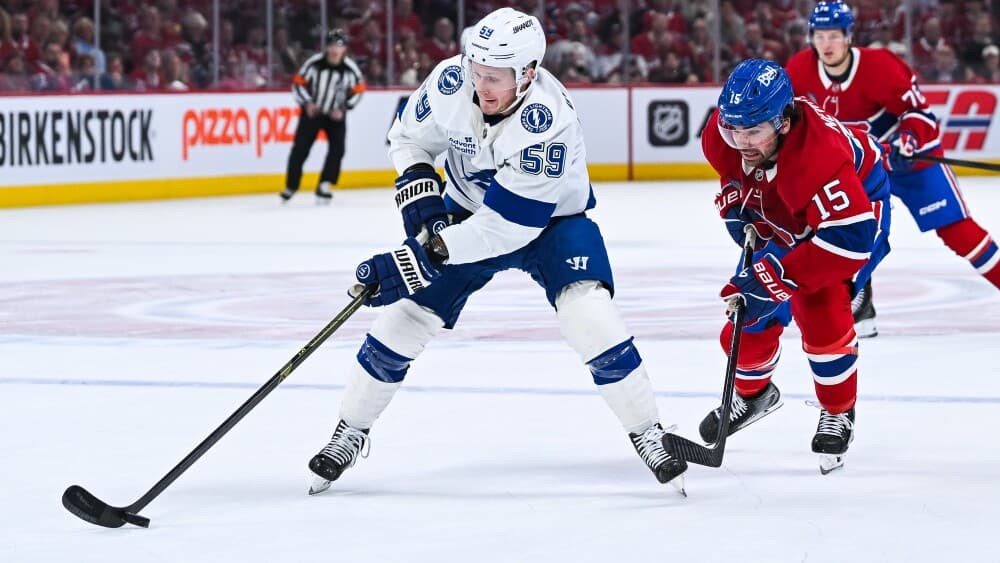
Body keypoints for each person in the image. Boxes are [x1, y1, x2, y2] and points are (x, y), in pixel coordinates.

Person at [306, 7, 687, 494]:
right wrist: (420, 182)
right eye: (477, 71)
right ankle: (350, 430)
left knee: (588, 315)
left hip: (549, 224)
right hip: (466, 211)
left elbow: (506, 228)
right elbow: (406, 138)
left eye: (496, 77)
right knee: (405, 315)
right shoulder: (450, 81)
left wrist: (418, 258)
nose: (481, 86)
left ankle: (647, 431)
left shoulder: (548, 121)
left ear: (527, 74)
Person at [701, 59, 892, 475]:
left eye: (753, 131)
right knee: (745, 320)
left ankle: (839, 410)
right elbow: (735, 170)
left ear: (784, 122)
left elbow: (851, 241)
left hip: (850, 218)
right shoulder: (725, 133)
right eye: (732, 129)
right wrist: (737, 199)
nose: (740, 141)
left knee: (822, 318)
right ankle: (752, 396)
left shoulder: (819, 158)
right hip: (790, 208)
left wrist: (779, 278)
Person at [786, 1, 1000, 338]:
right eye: (819, 36)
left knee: (958, 232)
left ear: (848, 37)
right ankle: (859, 304)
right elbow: (793, 126)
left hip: (902, 158)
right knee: (842, 232)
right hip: (853, 167)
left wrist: (909, 140)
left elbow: (920, 114)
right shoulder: (798, 72)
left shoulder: (881, 66)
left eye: (834, 36)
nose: (826, 44)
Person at [281, 29, 366, 204]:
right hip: (313, 113)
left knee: (338, 149)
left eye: (339, 46)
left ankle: (325, 184)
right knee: (300, 149)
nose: (335, 50)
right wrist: (307, 103)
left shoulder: (350, 69)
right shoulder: (314, 64)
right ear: (326, 47)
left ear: (345, 50)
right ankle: (291, 186)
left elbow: (359, 90)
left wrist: (344, 108)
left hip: (336, 115)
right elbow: (298, 83)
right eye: (332, 45)